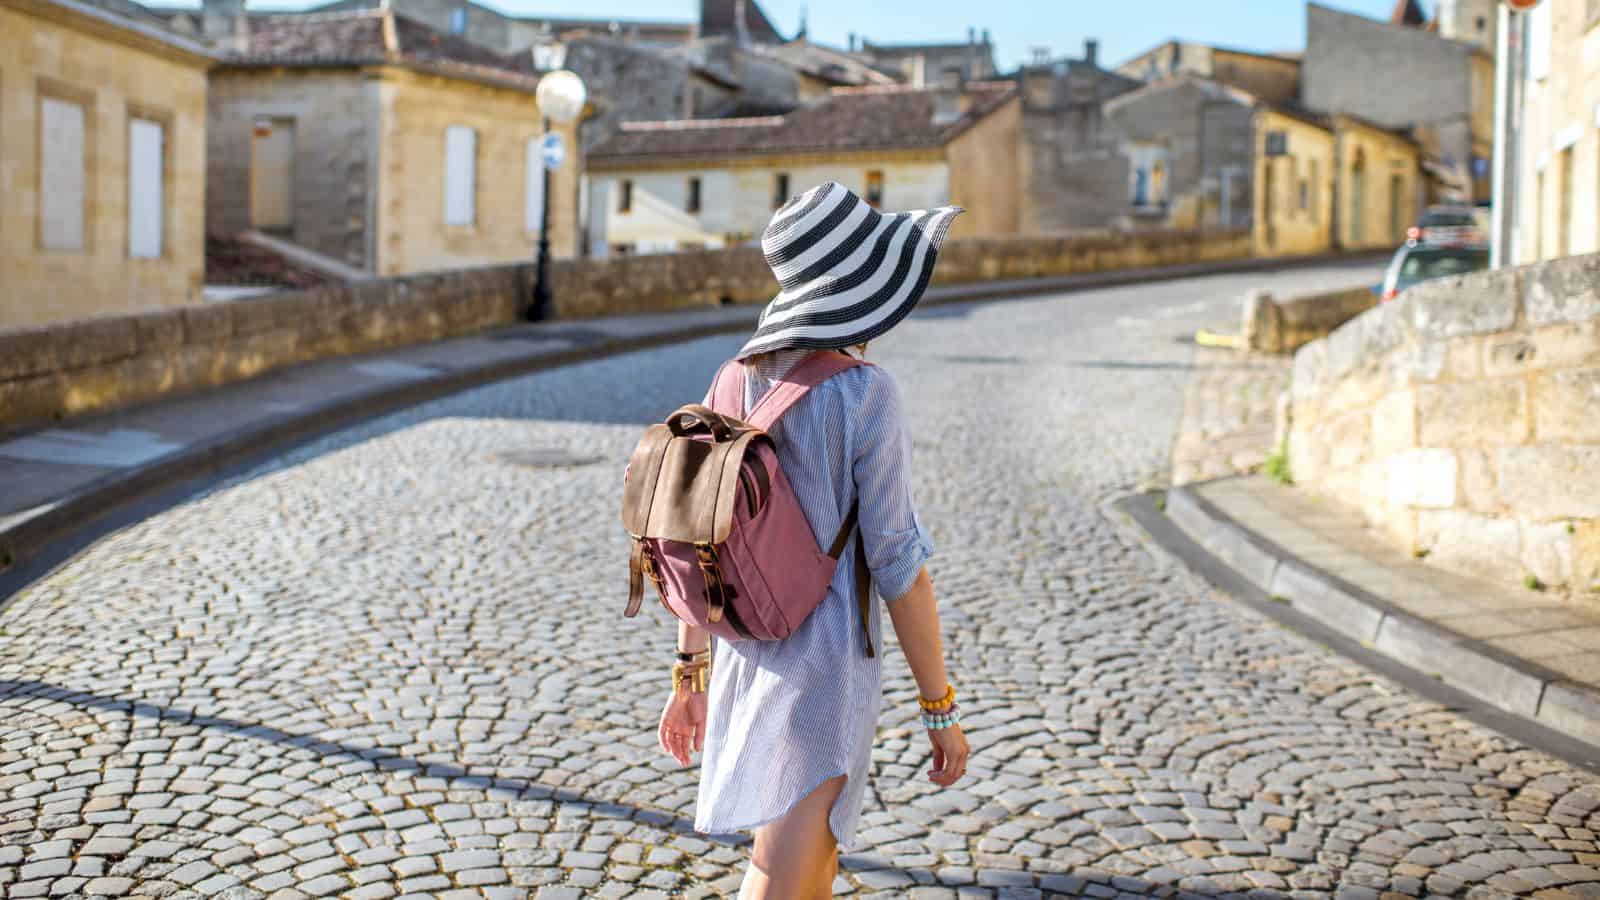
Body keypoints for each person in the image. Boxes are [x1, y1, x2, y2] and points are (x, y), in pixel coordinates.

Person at [654, 181, 971, 898]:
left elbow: (696, 535)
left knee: (811, 858)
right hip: (823, 666)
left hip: (743, 651)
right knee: (784, 870)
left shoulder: (730, 378)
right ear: (862, 289)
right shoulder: (864, 393)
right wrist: (939, 708)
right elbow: (898, 565)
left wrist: (689, 677)